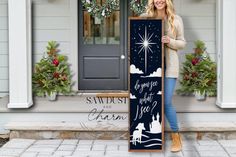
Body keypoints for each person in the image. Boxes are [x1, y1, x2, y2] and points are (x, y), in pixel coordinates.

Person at [140, 0, 186, 152]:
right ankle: (147, 137)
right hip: (150, 66)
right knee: (149, 101)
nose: (159, 1)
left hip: (170, 66)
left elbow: (182, 43)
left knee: (166, 102)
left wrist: (170, 41)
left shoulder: (176, 19)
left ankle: (176, 137)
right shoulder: (145, 17)